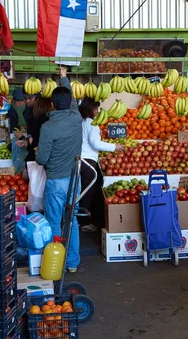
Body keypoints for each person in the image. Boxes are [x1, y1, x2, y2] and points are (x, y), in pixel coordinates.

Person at [36, 67, 83, 273]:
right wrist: (63, 77)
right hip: (75, 180)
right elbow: (70, 97)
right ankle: (72, 263)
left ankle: (59, 264)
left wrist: (39, 154)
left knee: (54, 221)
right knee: (71, 220)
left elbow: (42, 158)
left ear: (52, 105)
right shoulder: (76, 118)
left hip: (55, 181)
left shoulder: (47, 127)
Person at [79, 97, 124, 232]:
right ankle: (85, 223)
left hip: (81, 160)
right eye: (96, 108)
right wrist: (114, 147)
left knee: (84, 192)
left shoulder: (81, 121)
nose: (98, 111)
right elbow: (95, 143)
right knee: (89, 193)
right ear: (92, 109)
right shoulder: (92, 123)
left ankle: (83, 221)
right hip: (88, 162)